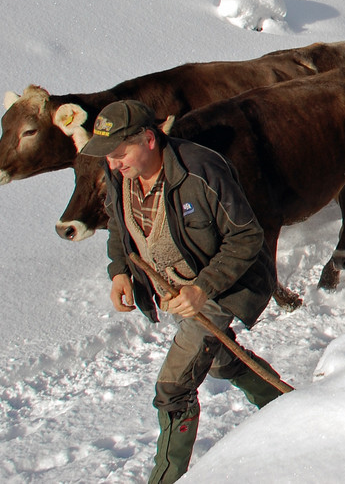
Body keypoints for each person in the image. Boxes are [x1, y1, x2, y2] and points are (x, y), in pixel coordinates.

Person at [81, 99, 284, 484]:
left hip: (224, 285)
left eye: (120, 153)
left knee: (173, 387)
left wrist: (201, 289)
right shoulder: (119, 173)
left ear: (148, 139)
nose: (113, 163)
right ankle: (287, 407)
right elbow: (117, 226)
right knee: (221, 359)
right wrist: (120, 271)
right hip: (177, 288)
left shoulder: (201, 170)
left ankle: (166, 479)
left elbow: (247, 236)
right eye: (107, 156)